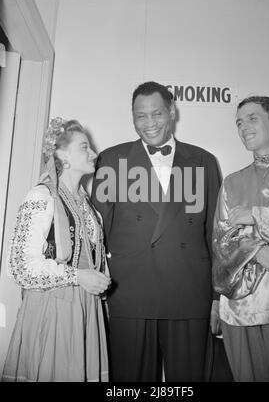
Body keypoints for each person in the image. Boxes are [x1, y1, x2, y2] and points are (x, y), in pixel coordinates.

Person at [91, 81, 222, 381]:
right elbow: (97, 234)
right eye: (140, 116)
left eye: (157, 114)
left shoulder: (203, 161)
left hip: (189, 292)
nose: (149, 123)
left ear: (172, 112)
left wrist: (218, 297)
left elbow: (214, 235)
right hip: (129, 293)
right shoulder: (112, 160)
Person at [2, 118, 111, 382]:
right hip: (53, 308)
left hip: (87, 310)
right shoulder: (41, 197)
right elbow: (20, 267)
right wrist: (77, 277)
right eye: (84, 147)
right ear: (63, 155)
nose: (94, 153)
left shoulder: (89, 207)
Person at [212, 96, 269, 381]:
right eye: (239, 122)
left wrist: (257, 216)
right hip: (242, 310)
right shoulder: (232, 183)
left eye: (252, 118)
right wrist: (259, 252)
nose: (243, 127)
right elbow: (222, 243)